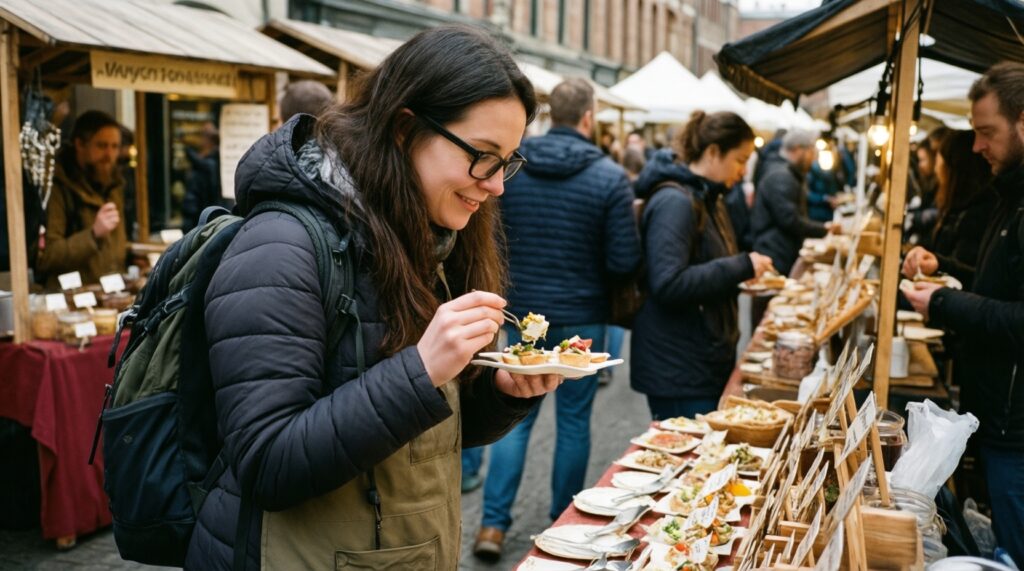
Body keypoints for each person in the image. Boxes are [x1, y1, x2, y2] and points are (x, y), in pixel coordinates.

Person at [186, 26, 562, 570]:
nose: (498, 184)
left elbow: (422, 435)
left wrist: (505, 393)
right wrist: (421, 369)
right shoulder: (279, 246)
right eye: (483, 156)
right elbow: (267, 463)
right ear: (407, 129)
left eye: (508, 161)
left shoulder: (431, 240)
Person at [473, 78, 642, 560]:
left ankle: (491, 526)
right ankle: (559, 523)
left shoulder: (515, 167)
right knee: (572, 421)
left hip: (521, 309)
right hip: (582, 313)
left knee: (513, 420)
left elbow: (492, 234)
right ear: (588, 117)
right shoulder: (609, 177)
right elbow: (622, 260)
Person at [902, 61, 1024, 566]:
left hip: (1015, 430)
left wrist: (945, 302)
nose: (976, 147)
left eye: (986, 132)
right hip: (998, 420)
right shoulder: (1010, 194)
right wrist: (944, 269)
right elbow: (994, 284)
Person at [630, 111, 773, 420]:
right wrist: (741, 266)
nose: (744, 170)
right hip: (680, 367)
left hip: (699, 357)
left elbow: (705, 265)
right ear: (712, 152)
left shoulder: (710, 196)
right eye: (740, 159)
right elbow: (668, 282)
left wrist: (738, 274)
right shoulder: (676, 202)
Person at [36, 110, 126, 288]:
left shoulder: (114, 185)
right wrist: (93, 235)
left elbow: (113, 245)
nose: (109, 155)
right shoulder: (57, 187)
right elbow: (46, 257)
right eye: (101, 146)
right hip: (72, 299)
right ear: (80, 144)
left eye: (115, 147)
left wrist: (132, 254)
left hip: (110, 295)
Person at [750, 130, 833, 277]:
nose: (813, 158)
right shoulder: (781, 175)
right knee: (772, 296)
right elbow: (789, 219)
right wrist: (824, 228)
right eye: (811, 151)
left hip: (779, 249)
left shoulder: (784, 171)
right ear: (797, 149)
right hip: (775, 252)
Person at [925, 130, 996, 283]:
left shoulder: (976, 214)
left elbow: (962, 275)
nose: (937, 167)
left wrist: (936, 264)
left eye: (940, 158)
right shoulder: (957, 208)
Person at [181, 122, 222, 231]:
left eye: (203, 135)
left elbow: (199, 162)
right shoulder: (204, 157)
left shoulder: (211, 161)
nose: (200, 139)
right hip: (194, 212)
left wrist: (187, 147)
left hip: (201, 215)